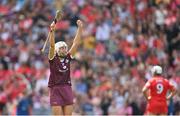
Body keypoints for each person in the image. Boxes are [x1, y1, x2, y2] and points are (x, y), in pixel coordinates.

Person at [47, 18, 83, 115]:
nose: (64, 50)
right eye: (62, 48)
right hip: (55, 89)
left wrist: (80, 28)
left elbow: (76, 43)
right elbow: (51, 46)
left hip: (66, 88)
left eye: (65, 48)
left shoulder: (68, 57)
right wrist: (52, 31)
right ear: (57, 50)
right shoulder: (52, 58)